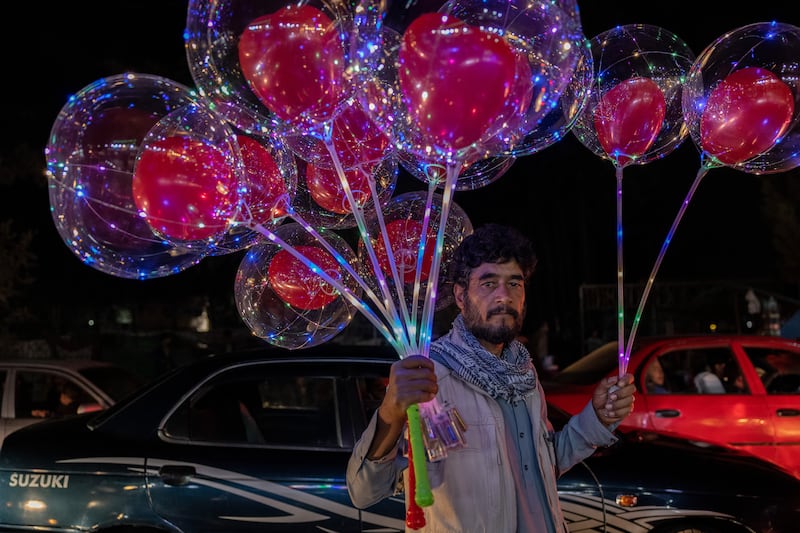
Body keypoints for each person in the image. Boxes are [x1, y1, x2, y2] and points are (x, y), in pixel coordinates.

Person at [346, 224, 636, 532]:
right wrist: (391, 411)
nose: (504, 296)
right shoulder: (430, 377)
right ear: (461, 296)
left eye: (515, 283)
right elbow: (365, 493)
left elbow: (545, 463)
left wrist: (598, 417)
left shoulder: (523, 372)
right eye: (488, 283)